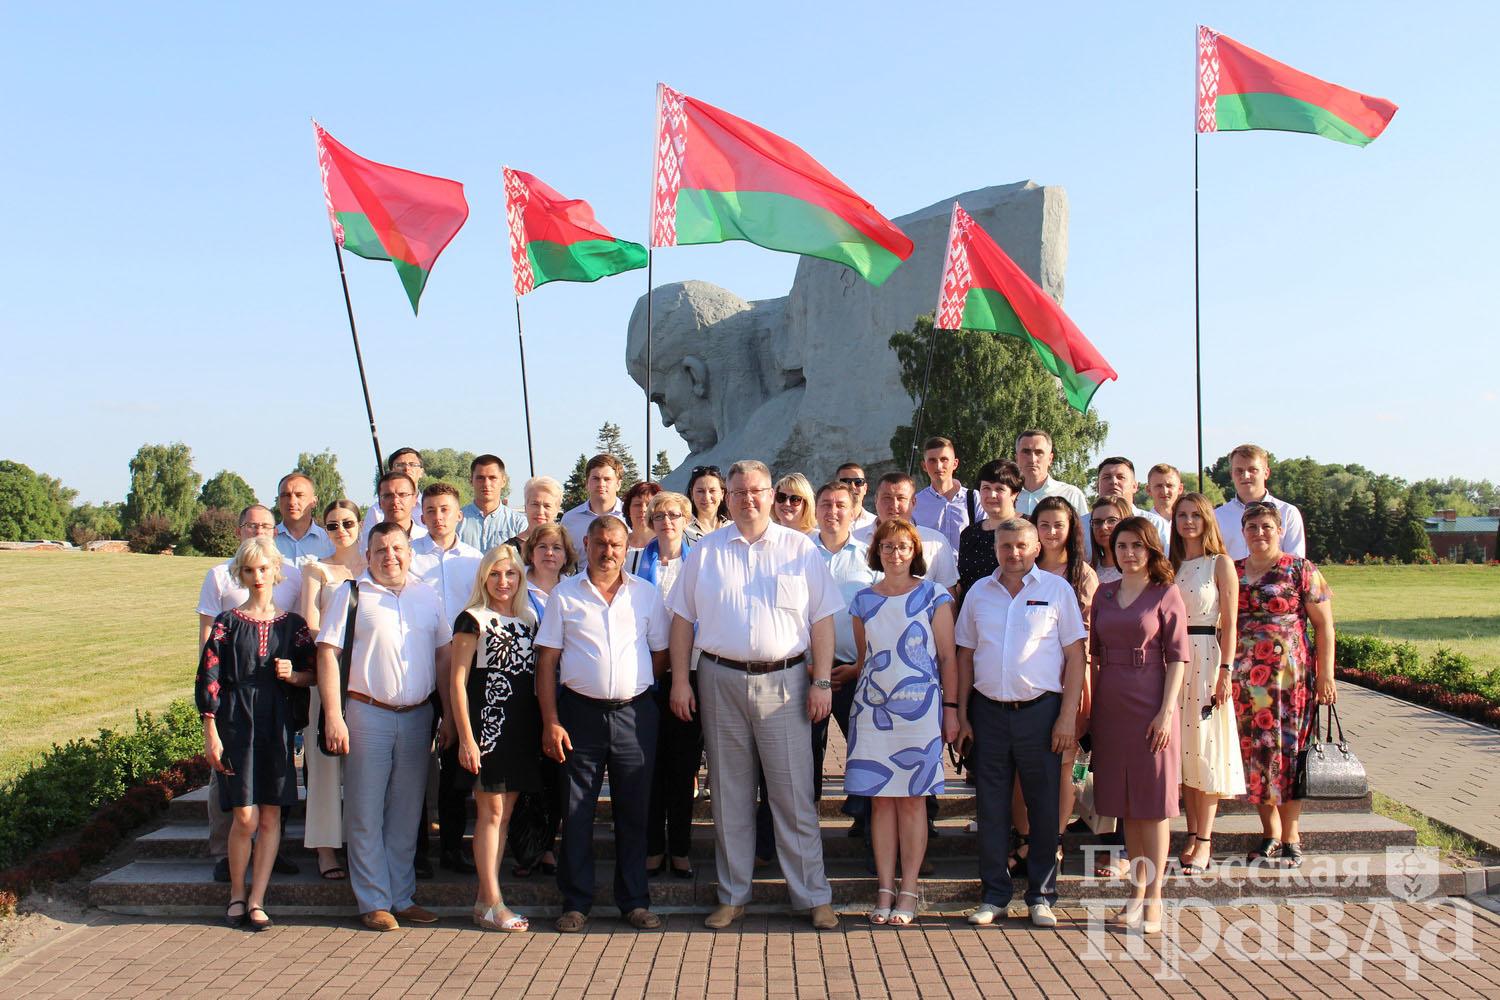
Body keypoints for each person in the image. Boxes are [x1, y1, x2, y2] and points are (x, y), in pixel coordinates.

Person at [667, 459, 844, 931]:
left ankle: (813, 896)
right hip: (718, 678)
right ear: (727, 496)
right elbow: (682, 619)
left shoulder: (800, 550)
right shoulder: (705, 551)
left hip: (785, 682)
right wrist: (681, 681)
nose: (749, 499)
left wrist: (822, 681)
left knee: (792, 795)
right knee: (729, 794)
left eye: (758, 491)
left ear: (771, 495)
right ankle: (732, 895)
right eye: (739, 491)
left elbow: (822, 620)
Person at [316, 522, 453, 932]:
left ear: (409, 552)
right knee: (365, 810)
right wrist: (333, 715)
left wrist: (445, 713)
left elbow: (444, 656)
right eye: (380, 550)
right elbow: (327, 654)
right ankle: (374, 899)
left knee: (407, 811)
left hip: (418, 716)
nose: (389, 556)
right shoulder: (352, 594)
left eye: (397, 548)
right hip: (366, 713)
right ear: (368, 554)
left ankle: (401, 897)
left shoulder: (427, 596)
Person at [536, 517, 671, 932]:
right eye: (600, 544)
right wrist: (551, 721)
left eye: (615, 544)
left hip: (634, 715)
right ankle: (576, 902)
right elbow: (546, 663)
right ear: (586, 543)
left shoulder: (645, 596)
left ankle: (634, 901)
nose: (608, 551)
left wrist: (637, 689)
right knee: (577, 811)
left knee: (635, 810)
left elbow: (660, 654)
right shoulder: (564, 595)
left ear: (626, 545)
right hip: (579, 715)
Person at [955, 518, 1086, 929]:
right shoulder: (979, 592)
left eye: (1021, 546)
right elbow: (964, 655)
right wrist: (959, 714)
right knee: (992, 809)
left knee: (1044, 809)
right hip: (988, 713)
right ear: (995, 548)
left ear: (1035, 548)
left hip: (1041, 714)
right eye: (1005, 546)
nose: (1013, 553)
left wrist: (1068, 715)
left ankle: (1042, 894)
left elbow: (1076, 656)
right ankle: (993, 895)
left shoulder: (1057, 590)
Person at [196, 537, 317, 930]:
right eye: (249, 570)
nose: (258, 577)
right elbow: (209, 677)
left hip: (276, 722)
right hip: (235, 720)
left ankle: (258, 898)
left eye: (264, 569)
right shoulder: (226, 623)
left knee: (270, 817)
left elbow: (314, 672)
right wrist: (210, 729)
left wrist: (294, 675)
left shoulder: (294, 627)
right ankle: (236, 892)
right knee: (244, 817)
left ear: (275, 571)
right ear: (241, 574)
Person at [847, 519, 958, 926]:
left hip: (921, 710)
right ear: (877, 550)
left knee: (912, 801)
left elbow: (946, 657)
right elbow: (865, 660)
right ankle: (883, 887)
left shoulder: (934, 595)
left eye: (903, 546)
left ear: (915, 551)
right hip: (873, 711)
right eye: (888, 546)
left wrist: (952, 710)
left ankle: (908, 888)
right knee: (879, 802)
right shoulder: (861, 600)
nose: (896, 553)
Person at [1088, 517, 1189, 934]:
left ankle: (1156, 899)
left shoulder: (1165, 593)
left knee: (1154, 803)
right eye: (1122, 545)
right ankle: (1135, 891)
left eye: (1137, 546)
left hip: (1151, 700)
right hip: (1110, 702)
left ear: (1151, 550)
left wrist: (1166, 712)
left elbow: (1179, 656)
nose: (1128, 553)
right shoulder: (1104, 593)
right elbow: (1092, 652)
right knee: (1128, 805)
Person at [1234, 501, 1335, 871]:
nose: (1259, 533)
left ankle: (1292, 833)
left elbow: (1324, 625)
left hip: (1291, 681)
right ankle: (1269, 831)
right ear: (1243, 531)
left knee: (1289, 754)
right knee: (1256, 754)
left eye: (1266, 526)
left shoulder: (1300, 569)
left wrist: (1326, 674)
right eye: (1252, 527)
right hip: (1244, 684)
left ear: (1279, 530)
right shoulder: (1233, 571)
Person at [451, 545, 542, 931]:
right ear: (483, 578)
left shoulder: (529, 618)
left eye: (510, 575)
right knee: (490, 815)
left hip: (521, 727)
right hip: (486, 725)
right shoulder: (472, 619)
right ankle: (491, 901)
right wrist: (466, 738)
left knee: (503, 816)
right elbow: (457, 681)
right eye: (495, 575)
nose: (503, 582)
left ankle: (485, 901)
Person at [1170, 493, 1246, 876]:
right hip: (1174, 661)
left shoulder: (1221, 564)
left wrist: (1226, 671)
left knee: (1207, 749)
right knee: (1184, 753)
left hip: (1208, 657)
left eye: (1194, 515)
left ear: (1206, 520)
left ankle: (1205, 839)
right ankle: (1190, 830)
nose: (1188, 522)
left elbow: (1231, 624)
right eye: (1181, 515)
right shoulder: (1171, 565)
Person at [409, 482, 483, 875]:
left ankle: (453, 847)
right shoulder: (408, 558)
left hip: (462, 672)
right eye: (431, 510)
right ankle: (416, 851)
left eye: (445, 510)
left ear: (459, 514)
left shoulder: (474, 561)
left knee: (456, 766)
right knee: (416, 766)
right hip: (418, 668)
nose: (438, 517)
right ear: (422, 515)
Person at [631, 491, 699, 880]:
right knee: (650, 768)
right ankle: (654, 847)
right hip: (646, 676)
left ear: (687, 519)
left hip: (689, 673)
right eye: (659, 515)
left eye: (674, 514)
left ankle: (682, 849)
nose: (667, 521)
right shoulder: (636, 560)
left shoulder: (701, 561)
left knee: (683, 765)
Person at [297, 499, 366, 881]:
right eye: (333, 525)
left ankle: (361, 844)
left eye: (348, 523)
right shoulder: (316, 569)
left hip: (367, 679)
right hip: (328, 673)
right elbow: (310, 623)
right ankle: (326, 849)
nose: (342, 530)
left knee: (364, 767)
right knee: (323, 764)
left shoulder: (374, 565)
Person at [1030, 495, 1100, 859]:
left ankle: (1057, 834)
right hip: (1031, 676)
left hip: (1073, 673)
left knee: (1070, 759)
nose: (1052, 532)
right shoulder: (1024, 567)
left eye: (1059, 524)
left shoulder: (1082, 574)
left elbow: (1087, 633)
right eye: (1044, 524)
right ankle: (1026, 833)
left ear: (1071, 528)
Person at [506, 522, 577, 880]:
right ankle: (526, 849)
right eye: (543, 547)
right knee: (527, 774)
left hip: (565, 694)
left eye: (557, 548)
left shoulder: (575, 590)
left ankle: (548, 845)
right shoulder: (515, 589)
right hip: (522, 695)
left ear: (567, 556)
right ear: (530, 551)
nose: (550, 553)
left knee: (556, 776)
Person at [809, 482, 880, 838]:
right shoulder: (798, 554)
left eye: (841, 505)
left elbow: (881, 617)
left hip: (857, 671)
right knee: (805, 758)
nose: (833, 511)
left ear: (855, 512)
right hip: (807, 673)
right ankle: (799, 832)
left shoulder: (871, 557)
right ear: (816, 509)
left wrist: (861, 665)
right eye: (825, 504)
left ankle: (867, 829)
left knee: (865, 753)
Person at [854, 473, 960, 601]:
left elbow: (948, 597)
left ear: (913, 502)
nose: (894, 505)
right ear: (876, 500)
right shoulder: (854, 541)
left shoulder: (935, 542)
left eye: (901, 498)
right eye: (887, 498)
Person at [1214, 444, 1307, 561]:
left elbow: (1296, 564)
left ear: (1266, 473)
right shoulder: (1217, 517)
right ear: (1231, 474)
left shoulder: (1288, 512)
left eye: (1252, 470)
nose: (1245, 475)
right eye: (1239, 470)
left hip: (1278, 579)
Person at [957, 460, 1022, 597]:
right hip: (973, 613)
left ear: (1014, 494)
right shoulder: (970, 534)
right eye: (986, 488)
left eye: (999, 489)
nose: (992, 495)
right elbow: (962, 583)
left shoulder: (1030, 529)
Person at [1081, 458, 1169, 558]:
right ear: (1097, 486)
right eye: (1107, 477)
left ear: (1135, 486)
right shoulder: (1080, 525)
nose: (1113, 482)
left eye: (1120, 477)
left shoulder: (1155, 524)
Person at [913, 436, 974, 554]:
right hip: (930, 570)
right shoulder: (915, 503)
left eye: (944, 459)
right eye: (932, 460)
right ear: (924, 466)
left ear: (955, 463)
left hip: (967, 571)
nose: (938, 466)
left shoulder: (974, 499)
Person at [358, 449, 429, 549]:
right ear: (391, 470)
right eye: (400, 465)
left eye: (413, 464)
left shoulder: (431, 507)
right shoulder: (376, 511)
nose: (407, 469)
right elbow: (366, 547)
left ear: (421, 472)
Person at [458, 454, 529, 553]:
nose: (486, 484)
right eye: (480, 478)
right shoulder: (456, 521)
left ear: (504, 481)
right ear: (471, 481)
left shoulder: (519, 523)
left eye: (492, 478)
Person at [559, 454, 627, 557]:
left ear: (618, 484)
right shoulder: (570, 520)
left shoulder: (630, 517)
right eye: (596, 478)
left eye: (607, 479)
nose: (601, 484)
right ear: (587, 483)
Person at [1014, 430, 1088, 517]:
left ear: (1050, 459)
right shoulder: (1004, 497)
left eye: (1039, 453)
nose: (1032, 459)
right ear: (1016, 458)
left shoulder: (1071, 494)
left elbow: (1085, 529)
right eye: (1026, 452)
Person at [274, 472, 334, 566]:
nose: (292, 502)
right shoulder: (268, 540)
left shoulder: (330, 541)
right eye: (286, 495)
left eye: (299, 495)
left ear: (314, 501)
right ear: (278, 501)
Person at [506, 476, 563, 551]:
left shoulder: (566, 547)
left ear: (556, 510)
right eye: (535, 504)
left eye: (547, 506)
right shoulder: (509, 550)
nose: (540, 511)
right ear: (526, 506)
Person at [1088, 496, 1132, 585]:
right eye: (1097, 522)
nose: (1103, 527)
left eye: (1112, 520)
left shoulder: (1140, 569)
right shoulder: (1087, 572)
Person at [685, 464, 730, 542]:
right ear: (692, 494)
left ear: (722, 494)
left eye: (712, 491)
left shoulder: (733, 528)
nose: (706, 497)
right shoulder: (682, 530)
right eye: (700, 491)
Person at [622, 480, 663, 557]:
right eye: (637, 505)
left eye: (649, 505)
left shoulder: (666, 546)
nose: (643, 509)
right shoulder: (617, 544)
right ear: (628, 510)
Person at [835, 462, 878, 531]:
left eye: (858, 482)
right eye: (846, 482)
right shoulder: (822, 526)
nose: (852, 487)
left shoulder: (876, 525)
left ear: (865, 488)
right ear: (835, 487)